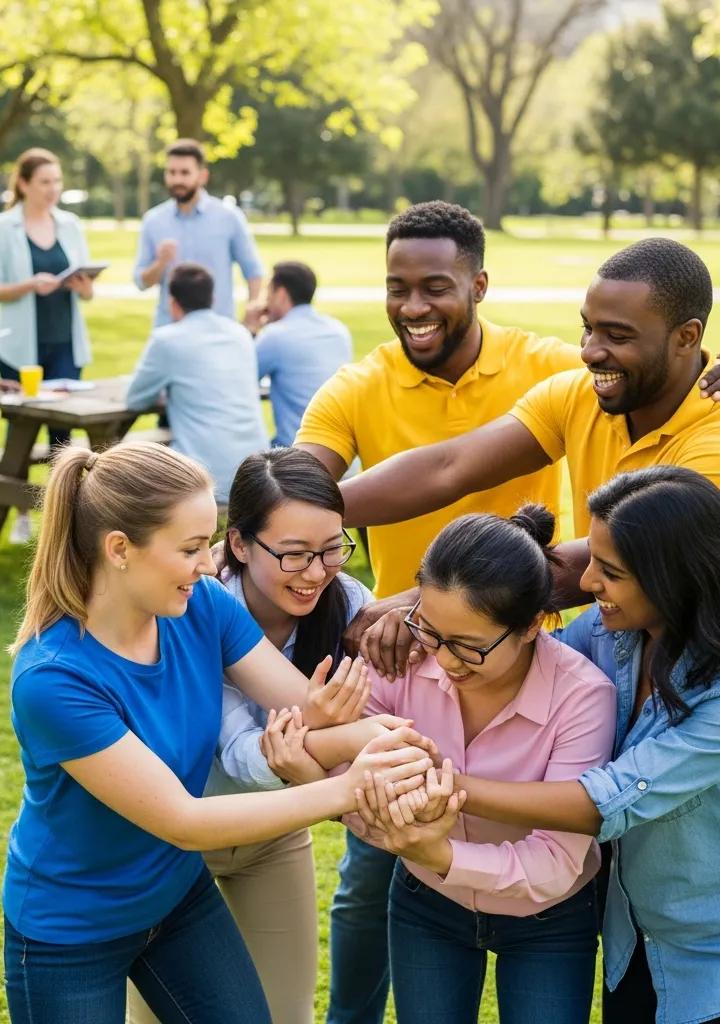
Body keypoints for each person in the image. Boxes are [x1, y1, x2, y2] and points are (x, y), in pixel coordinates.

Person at [2, 440, 435, 1024]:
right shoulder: (54, 680)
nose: (210, 566)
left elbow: (302, 704)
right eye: (189, 549)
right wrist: (349, 787)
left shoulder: (201, 605)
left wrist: (383, 736)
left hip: (175, 898)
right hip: (71, 930)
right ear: (120, 550)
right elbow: (183, 820)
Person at [292, 200, 583, 1024]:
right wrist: (269, 523)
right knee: (371, 874)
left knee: (545, 856)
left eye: (435, 287)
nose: (413, 306)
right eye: (396, 286)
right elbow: (308, 484)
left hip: (528, 666)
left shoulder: (549, 367)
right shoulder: (359, 385)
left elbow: (639, 369)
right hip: (403, 671)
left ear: (479, 284)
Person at [358, 466, 720, 1024]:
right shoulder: (610, 634)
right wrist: (424, 616)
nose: (588, 581)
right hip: (630, 926)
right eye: (592, 559)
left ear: (673, 578)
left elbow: (599, 802)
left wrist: (442, 786)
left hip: (702, 941)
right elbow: (514, 640)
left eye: (611, 570)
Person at [338, 237, 720, 613]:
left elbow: (622, 553)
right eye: (588, 328)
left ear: (686, 337)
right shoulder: (576, 395)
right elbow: (448, 468)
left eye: (617, 336)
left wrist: (424, 603)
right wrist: (308, 510)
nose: (589, 351)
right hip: (608, 635)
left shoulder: (712, 431)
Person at [128, 447, 375, 1024]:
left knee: (285, 1015)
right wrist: (330, 735)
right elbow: (239, 752)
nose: (316, 572)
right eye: (293, 555)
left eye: (333, 549)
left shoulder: (348, 606)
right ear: (238, 544)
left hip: (274, 835)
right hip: (175, 841)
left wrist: (317, 749)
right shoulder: (191, 610)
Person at [346, 504, 616, 1024]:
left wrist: (443, 853)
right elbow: (349, 768)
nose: (443, 661)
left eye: (469, 648)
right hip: (426, 902)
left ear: (533, 625)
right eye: (430, 630)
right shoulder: (407, 654)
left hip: (549, 919)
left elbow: (558, 859)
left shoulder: (583, 698)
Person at [0, 147, 95, 543]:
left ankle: (61, 523)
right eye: (45, 182)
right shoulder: (3, 227)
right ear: (24, 184)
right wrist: (32, 284)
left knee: (62, 438)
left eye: (57, 181)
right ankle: (19, 515)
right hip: (21, 348)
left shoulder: (70, 224)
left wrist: (83, 287)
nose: (53, 189)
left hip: (64, 342)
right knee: (21, 435)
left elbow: (86, 294)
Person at [126, 263, 269, 503]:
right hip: (256, 469)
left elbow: (135, 399)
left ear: (172, 303)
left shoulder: (167, 340)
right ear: (212, 298)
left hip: (201, 475)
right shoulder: (240, 333)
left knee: (135, 478)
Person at [134, 138, 263, 328]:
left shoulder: (228, 217)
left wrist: (250, 321)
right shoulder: (153, 221)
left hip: (218, 331)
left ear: (202, 176)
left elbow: (254, 272)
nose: (177, 180)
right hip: (169, 331)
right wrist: (160, 263)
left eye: (185, 173)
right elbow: (141, 283)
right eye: (172, 172)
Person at [244, 261, 353, 447]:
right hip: (345, 452)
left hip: (299, 454)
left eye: (268, 293)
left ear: (280, 294)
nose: (266, 301)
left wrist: (251, 329)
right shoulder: (338, 330)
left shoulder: (276, 335)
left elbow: (238, 379)